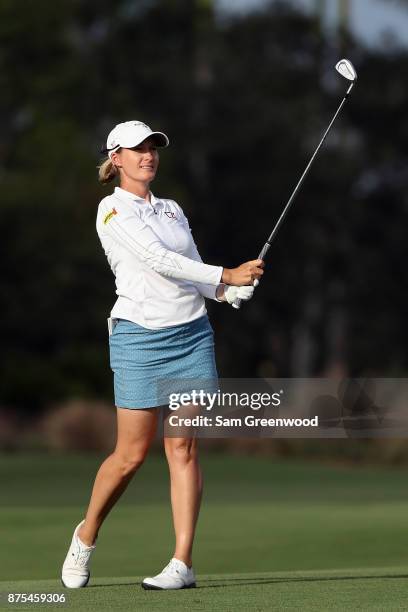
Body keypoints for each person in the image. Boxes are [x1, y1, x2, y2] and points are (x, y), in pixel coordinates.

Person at [61, 120, 264, 590]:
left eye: (153, 148)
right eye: (137, 150)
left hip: (191, 335)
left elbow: (189, 270)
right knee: (130, 455)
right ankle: (86, 535)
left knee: (183, 447)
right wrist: (227, 275)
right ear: (116, 159)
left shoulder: (171, 210)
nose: (148, 156)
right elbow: (158, 260)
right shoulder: (110, 211)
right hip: (139, 337)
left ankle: (182, 563)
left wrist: (225, 293)